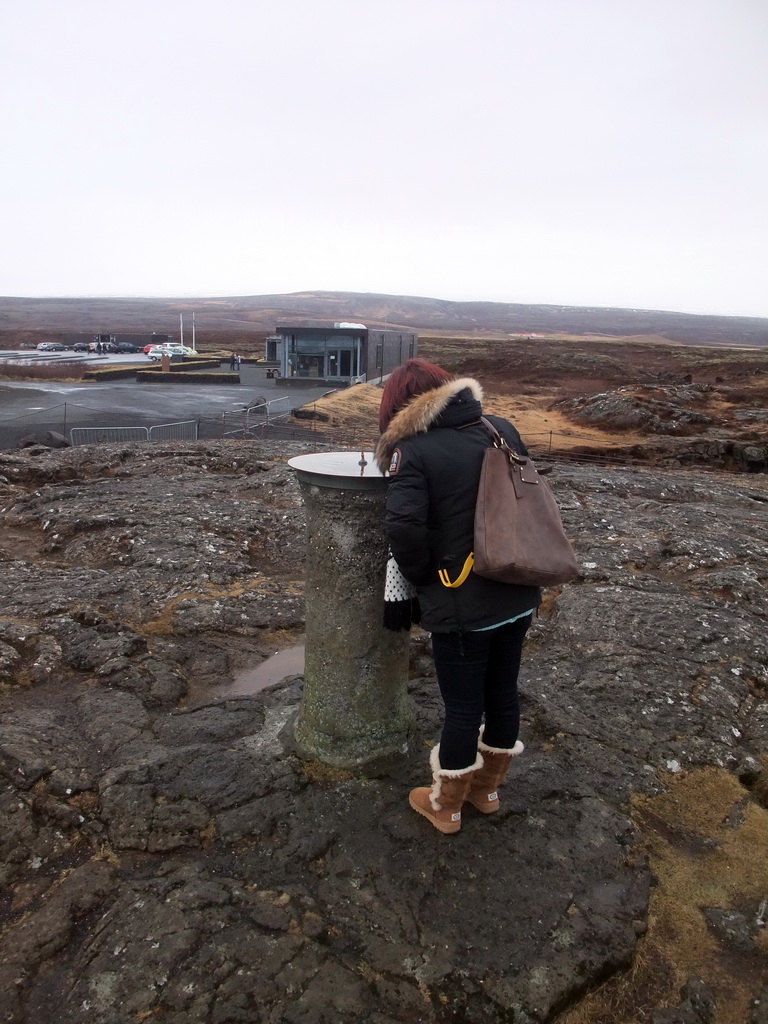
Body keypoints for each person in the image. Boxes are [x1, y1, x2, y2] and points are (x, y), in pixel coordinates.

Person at [375, 359, 540, 835]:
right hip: (516, 586)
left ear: (401, 405)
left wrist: (426, 578)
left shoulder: (414, 450)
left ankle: (446, 806)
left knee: (464, 708)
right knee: (503, 692)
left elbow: (404, 528)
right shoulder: (499, 427)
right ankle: (486, 792)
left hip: (460, 602)